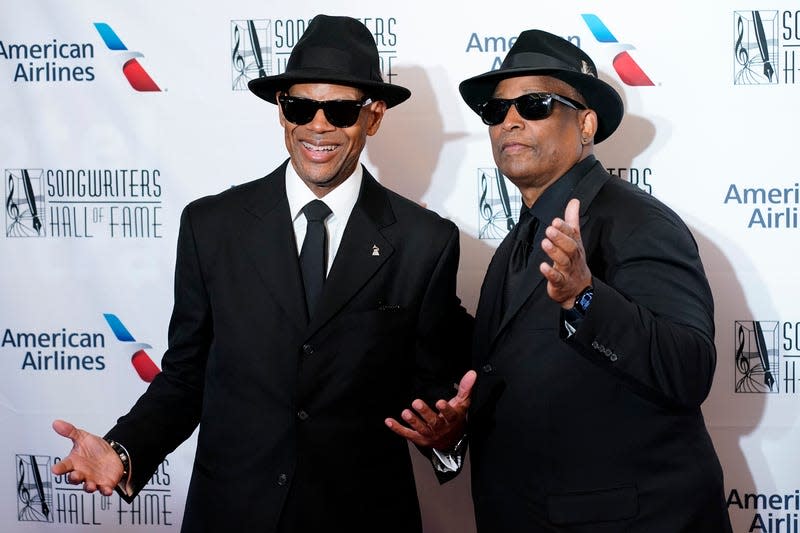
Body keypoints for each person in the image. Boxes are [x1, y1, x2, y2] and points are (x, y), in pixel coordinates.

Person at [51, 15, 471, 533]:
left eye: (339, 110)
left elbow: (429, 396)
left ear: (374, 117)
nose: (318, 125)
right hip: (232, 512)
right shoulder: (212, 226)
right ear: (281, 111)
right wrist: (125, 450)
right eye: (300, 106)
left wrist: (447, 436)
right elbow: (187, 377)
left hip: (362, 516)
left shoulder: (424, 240)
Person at [390, 29, 732, 532]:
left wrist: (584, 298)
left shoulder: (638, 222)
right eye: (496, 110)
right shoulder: (515, 244)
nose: (510, 120)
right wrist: (453, 431)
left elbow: (689, 369)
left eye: (534, 104)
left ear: (586, 123)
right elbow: (514, 375)